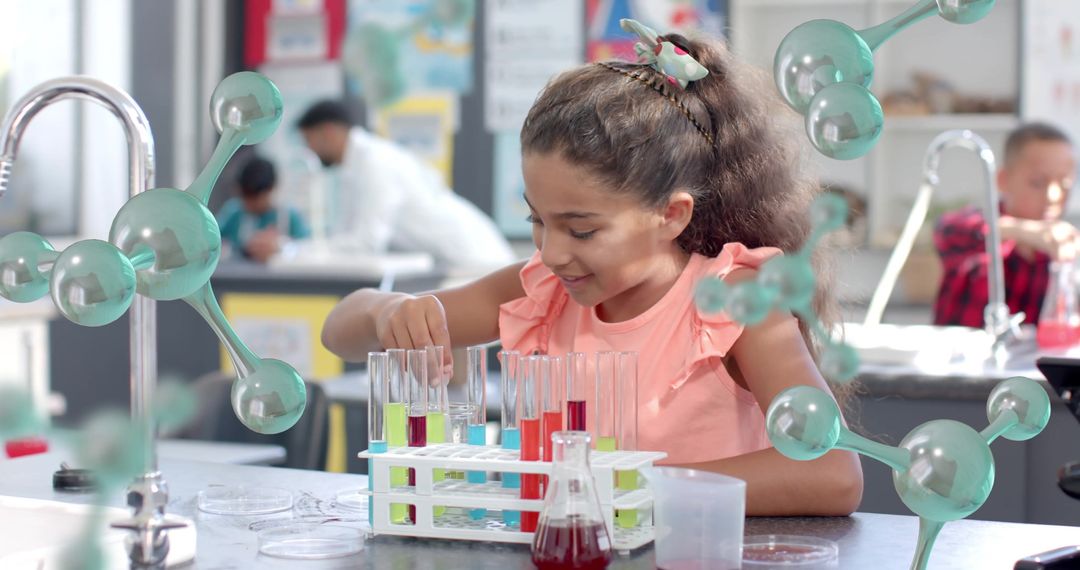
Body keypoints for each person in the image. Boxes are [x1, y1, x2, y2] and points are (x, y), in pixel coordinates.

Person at [321, 25, 862, 516]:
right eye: (537, 220)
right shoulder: (543, 289)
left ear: (671, 215)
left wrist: (627, 486)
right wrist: (386, 312)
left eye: (581, 230)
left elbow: (832, 473)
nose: (552, 252)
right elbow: (340, 332)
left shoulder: (738, 301)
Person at [296, 100, 516, 271]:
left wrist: (298, 250)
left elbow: (367, 242)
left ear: (328, 131)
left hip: (474, 260)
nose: (309, 150)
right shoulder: (355, 167)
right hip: (454, 262)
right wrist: (303, 249)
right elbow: (345, 235)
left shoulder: (376, 162)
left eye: (309, 140)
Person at [933, 123, 1078, 327]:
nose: (1053, 196)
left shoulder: (1062, 250)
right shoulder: (978, 230)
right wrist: (1022, 231)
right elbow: (948, 230)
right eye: (1037, 182)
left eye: (1064, 184)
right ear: (1003, 180)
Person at [217, 156, 310, 263]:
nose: (251, 204)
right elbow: (213, 242)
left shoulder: (289, 216)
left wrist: (281, 246)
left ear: (271, 189)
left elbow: (307, 248)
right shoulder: (234, 212)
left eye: (256, 198)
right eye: (246, 197)